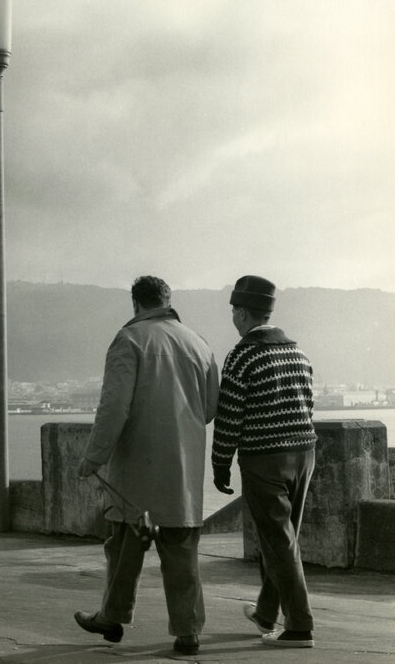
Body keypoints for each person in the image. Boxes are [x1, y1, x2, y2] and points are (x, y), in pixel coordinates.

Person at [74, 276, 220, 657]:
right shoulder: (198, 343)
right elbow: (208, 408)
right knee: (181, 551)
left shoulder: (130, 340)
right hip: (183, 471)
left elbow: (114, 407)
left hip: (136, 469)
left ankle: (112, 616)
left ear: (136, 303)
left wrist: (94, 456)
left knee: (124, 546)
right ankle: (188, 632)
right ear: (167, 300)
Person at [212, 275, 317, 649]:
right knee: (284, 539)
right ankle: (266, 613)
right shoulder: (298, 353)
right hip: (304, 453)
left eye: (233, 313)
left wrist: (220, 464)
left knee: (278, 542)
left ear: (241, 313)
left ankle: (300, 626)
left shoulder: (243, 355)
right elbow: (308, 404)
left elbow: (229, 417)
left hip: (264, 458)